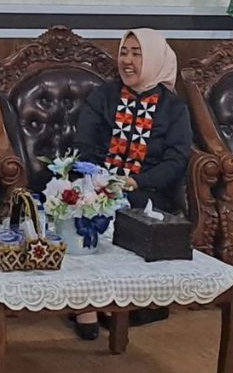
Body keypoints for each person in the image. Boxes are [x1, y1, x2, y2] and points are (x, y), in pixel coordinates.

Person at [70, 28, 192, 339]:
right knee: (81, 207)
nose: (127, 60)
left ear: (155, 59)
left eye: (137, 54)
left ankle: (120, 301)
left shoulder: (173, 108)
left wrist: (136, 182)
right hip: (96, 181)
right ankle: (86, 303)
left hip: (146, 191)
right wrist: (100, 179)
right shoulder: (105, 95)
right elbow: (84, 144)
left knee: (132, 212)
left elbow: (176, 160)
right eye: (124, 52)